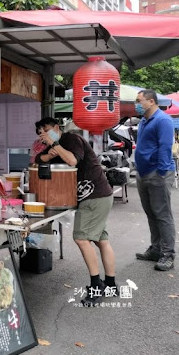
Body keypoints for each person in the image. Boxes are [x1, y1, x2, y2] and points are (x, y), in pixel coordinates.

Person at [34, 117, 116, 306]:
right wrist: (50, 153)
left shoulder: (71, 139)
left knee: (81, 238)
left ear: (56, 128)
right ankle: (110, 284)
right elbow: (39, 159)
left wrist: (55, 145)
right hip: (99, 196)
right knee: (101, 239)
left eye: (45, 130)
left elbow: (71, 160)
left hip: (94, 196)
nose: (43, 135)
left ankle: (96, 286)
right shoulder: (59, 144)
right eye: (40, 133)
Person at [133, 90, 176, 271]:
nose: (136, 104)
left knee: (163, 214)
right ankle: (156, 249)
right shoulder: (144, 120)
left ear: (151, 101)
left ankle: (168, 254)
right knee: (151, 213)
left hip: (157, 173)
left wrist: (161, 172)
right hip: (143, 173)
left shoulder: (163, 120)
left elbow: (165, 147)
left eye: (139, 101)